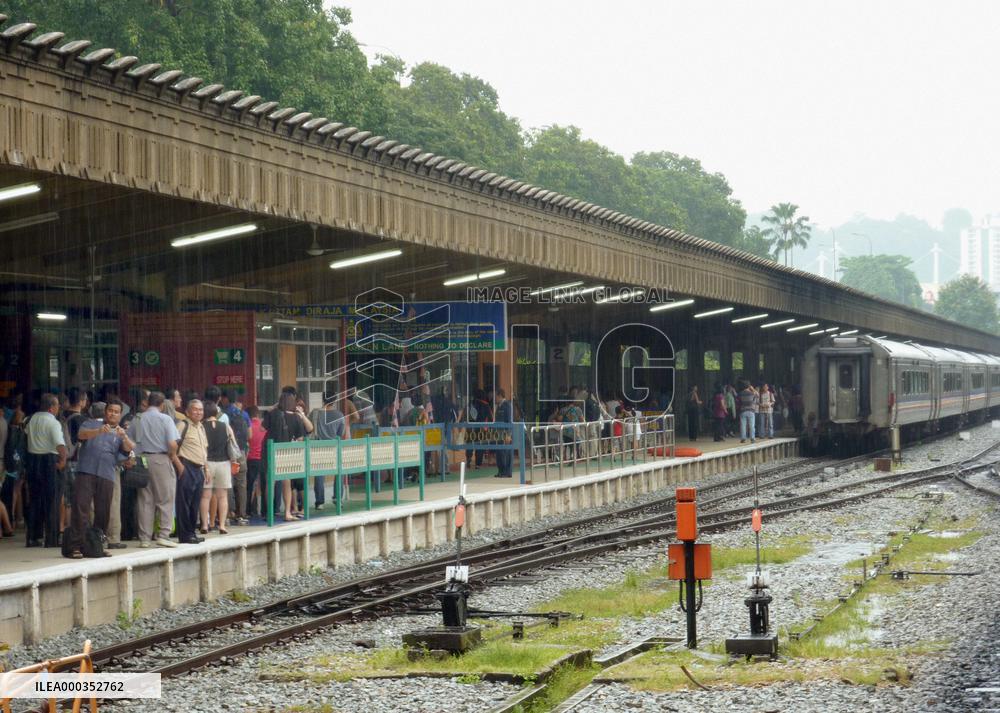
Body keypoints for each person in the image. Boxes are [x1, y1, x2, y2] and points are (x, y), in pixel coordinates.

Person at [70, 399, 134, 558]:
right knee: (81, 507)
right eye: (110, 410)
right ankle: (76, 546)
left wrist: (124, 437)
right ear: (106, 412)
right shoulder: (90, 423)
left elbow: (129, 449)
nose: (113, 414)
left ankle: (96, 546)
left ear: (120, 415)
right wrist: (99, 431)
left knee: (103, 511)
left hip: (106, 474)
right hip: (86, 470)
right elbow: (81, 435)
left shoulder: (120, 432)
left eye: (116, 412)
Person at [134, 391, 180, 548]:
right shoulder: (165, 419)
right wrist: (172, 455)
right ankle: (163, 535)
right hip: (161, 459)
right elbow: (173, 444)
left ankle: (145, 538)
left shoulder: (138, 418)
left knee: (145, 500)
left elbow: (129, 441)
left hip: (142, 460)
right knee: (165, 498)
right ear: (162, 405)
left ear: (147, 402)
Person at [24, 393, 68, 547]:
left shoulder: (31, 419)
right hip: (50, 461)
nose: (58, 408)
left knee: (35, 500)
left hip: (33, 461)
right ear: (51, 407)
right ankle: (52, 538)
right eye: (57, 405)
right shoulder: (53, 423)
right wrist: (63, 460)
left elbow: (26, 435)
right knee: (52, 500)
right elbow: (60, 444)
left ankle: (33, 537)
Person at [263, 390, 313, 521]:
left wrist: (271, 409)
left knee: (271, 482)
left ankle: (269, 513)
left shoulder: (273, 414)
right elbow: (301, 438)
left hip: (271, 452)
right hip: (287, 453)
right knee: (287, 482)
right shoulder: (296, 417)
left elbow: (263, 429)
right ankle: (287, 513)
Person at [171, 399, 208, 544]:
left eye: (201, 409)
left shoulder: (201, 427)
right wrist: (179, 465)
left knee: (195, 502)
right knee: (184, 502)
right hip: (186, 466)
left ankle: (192, 532)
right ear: (187, 411)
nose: (198, 412)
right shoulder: (182, 425)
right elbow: (172, 445)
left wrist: (206, 468)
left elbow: (204, 449)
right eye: (195, 409)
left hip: (199, 468)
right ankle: (184, 535)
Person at [308, 391, 349, 509]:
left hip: (319, 446)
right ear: (335, 400)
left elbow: (309, 428)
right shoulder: (340, 415)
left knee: (319, 474)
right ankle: (337, 498)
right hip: (334, 448)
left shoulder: (315, 413)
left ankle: (319, 502)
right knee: (339, 472)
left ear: (323, 400)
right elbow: (341, 434)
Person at [201, 401, 235, 534]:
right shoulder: (225, 426)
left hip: (207, 463)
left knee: (205, 496)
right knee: (222, 496)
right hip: (223, 463)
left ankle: (204, 525)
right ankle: (221, 525)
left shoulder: (202, 427)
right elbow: (233, 443)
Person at [246, 405, 266, 518]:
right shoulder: (264, 427)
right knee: (263, 486)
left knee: (250, 485)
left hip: (251, 458)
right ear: (258, 414)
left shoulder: (248, 426)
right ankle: (264, 511)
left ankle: (248, 510)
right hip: (263, 459)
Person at [493, 388, 514, 478]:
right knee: (499, 452)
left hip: (505, 432)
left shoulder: (507, 405)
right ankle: (501, 471)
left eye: (496, 396)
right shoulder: (498, 406)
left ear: (500, 395)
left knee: (506, 452)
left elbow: (509, 420)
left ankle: (507, 472)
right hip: (499, 432)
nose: (495, 398)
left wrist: (509, 434)